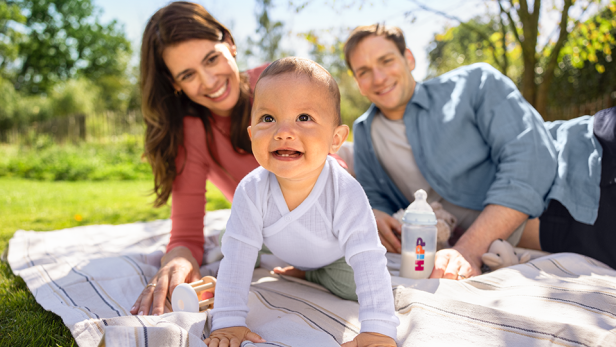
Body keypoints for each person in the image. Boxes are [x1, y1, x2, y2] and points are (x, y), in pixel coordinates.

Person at [343, 23, 615, 279]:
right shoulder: (365, 133)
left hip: (589, 158)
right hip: (556, 229)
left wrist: (468, 249)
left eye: (386, 61)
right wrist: (374, 213)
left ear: (409, 59)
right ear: (357, 81)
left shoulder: (474, 82)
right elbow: (375, 199)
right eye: (364, 71)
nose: (378, 77)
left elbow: (530, 158)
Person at [204, 57, 398, 347]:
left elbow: (368, 258)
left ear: (336, 139)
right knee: (233, 245)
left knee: (353, 286)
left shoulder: (345, 191)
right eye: (267, 119)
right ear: (252, 134)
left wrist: (379, 329)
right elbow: (237, 257)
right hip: (274, 238)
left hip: (330, 251)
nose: (283, 131)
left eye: (304, 118)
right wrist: (229, 321)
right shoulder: (251, 189)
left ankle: (311, 272)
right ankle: (259, 254)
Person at [130, 2, 266, 317]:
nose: (208, 81)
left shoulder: (277, 82)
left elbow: (329, 164)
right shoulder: (193, 131)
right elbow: (186, 234)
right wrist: (177, 262)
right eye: (188, 74)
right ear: (175, 84)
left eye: (212, 59)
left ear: (230, 44)